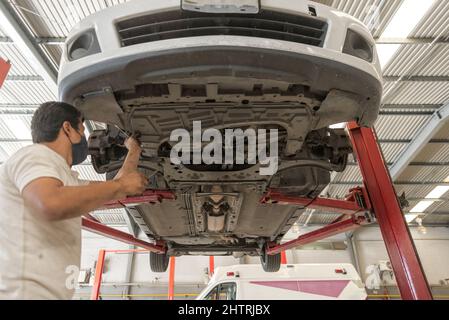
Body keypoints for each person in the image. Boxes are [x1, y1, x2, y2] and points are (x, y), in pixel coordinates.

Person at [0, 101, 148, 300]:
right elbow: (49, 203)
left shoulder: (66, 180)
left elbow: (117, 188)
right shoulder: (34, 155)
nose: (84, 138)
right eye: (82, 128)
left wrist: (134, 151)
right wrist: (120, 186)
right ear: (67, 128)